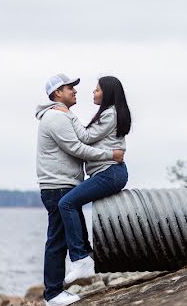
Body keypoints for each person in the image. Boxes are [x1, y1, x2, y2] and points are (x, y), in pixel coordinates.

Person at [35, 73, 125, 306]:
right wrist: (110, 155)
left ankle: (78, 265)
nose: (75, 91)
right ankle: (53, 294)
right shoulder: (56, 117)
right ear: (57, 93)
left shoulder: (64, 115)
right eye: (70, 88)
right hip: (57, 185)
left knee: (62, 236)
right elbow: (77, 147)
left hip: (64, 183)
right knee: (57, 240)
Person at [52, 76, 131, 284]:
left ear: (107, 92)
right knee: (72, 202)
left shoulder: (109, 114)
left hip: (110, 172)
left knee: (66, 202)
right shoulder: (109, 113)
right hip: (110, 171)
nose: (93, 93)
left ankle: (80, 258)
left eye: (96, 90)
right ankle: (87, 255)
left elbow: (85, 137)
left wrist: (69, 115)